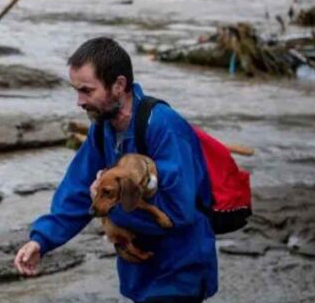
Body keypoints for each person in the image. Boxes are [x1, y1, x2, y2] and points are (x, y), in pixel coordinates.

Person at [13, 37, 217, 303]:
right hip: (140, 274)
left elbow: (178, 212)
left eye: (87, 90)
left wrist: (111, 204)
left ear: (119, 86)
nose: (79, 101)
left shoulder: (164, 127)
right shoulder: (103, 129)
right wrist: (41, 241)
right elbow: (77, 190)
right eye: (76, 90)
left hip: (178, 273)